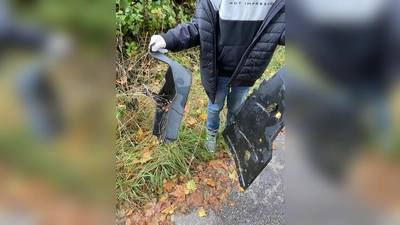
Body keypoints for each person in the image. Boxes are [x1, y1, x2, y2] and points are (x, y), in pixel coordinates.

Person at [149, 0, 285, 152]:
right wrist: (167, 39)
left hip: (248, 71)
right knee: (214, 108)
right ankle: (211, 134)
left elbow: (285, 29)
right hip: (218, 71)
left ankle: (231, 133)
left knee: (236, 108)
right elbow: (200, 28)